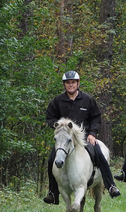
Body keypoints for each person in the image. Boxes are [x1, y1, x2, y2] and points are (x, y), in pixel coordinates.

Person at [43, 70, 120, 204]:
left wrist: (92, 134)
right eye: (68, 83)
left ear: (78, 83)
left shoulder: (87, 100)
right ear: (64, 85)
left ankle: (111, 186)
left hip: (84, 138)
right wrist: (56, 125)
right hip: (65, 139)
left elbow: (96, 117)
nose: (70, 85)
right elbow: (50, 117)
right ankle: (52, 193)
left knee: (99, 154)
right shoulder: (58, 101)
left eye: (73, 82)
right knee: (51, 160)